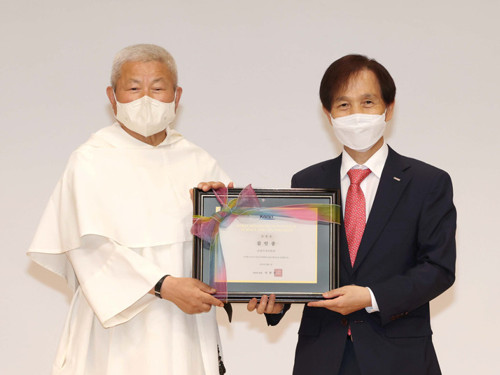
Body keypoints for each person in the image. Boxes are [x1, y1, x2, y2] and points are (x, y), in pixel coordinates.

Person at [28, 44, 232, 375]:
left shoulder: (197, 160)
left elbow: (233, 249)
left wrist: (229, 217)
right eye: (134, 88)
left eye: (158, 87)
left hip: (187, 327)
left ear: (177, 95)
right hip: (117, 330)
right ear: (113, 97)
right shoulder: (90, 160)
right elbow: (89, 250)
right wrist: (163, 285)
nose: (146, 99)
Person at [247, 54, 456, 375]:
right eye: (344, 105)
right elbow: (299, 267)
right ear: (328, 113)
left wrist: (371, 296)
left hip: (399, 355)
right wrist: (278, 302)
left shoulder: (428, 182)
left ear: (389, 107)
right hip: (322, 356)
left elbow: (438, 268)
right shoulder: (306, 183)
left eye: (368, 102)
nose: (356, 114)